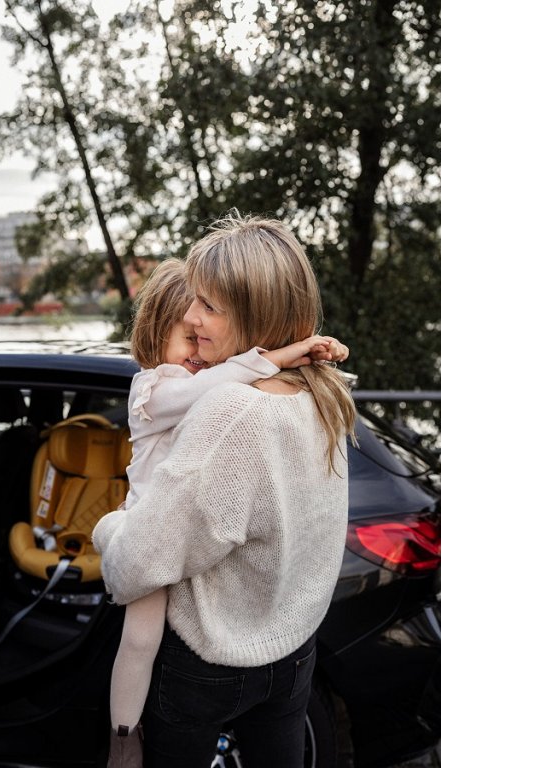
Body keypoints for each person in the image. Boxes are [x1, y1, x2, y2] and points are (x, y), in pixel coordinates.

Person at [93, 212, 357, 768]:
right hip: (294, 647)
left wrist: (110, 527)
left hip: (211, 661)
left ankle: (121, 740)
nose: (192, 315)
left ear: (254, 312)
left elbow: (134, 565)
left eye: (208, 305)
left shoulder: (232, 411)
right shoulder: (324, 393)